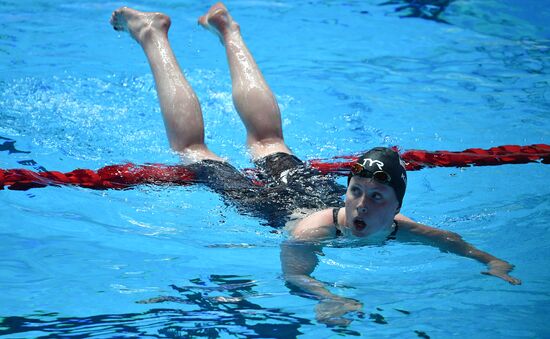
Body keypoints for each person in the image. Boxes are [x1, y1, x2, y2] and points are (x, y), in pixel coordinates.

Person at [110, 2, 520, 326]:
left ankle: (227, 27)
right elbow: (295, 275)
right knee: (192, 148)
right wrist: (329, 298)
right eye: (357, 191)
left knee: (268, 140)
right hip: (272, 206)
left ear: (397, 208)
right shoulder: (312, 233)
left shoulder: (399, 227)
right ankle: (151, 34)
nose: (361, 204)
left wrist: (491, 261)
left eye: (376, 197)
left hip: (304, 187)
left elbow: (449, 240)